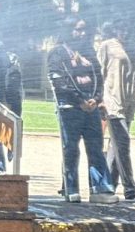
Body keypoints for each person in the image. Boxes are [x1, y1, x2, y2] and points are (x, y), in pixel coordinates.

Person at [47, 18, 117, 204]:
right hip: (69, 108)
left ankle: (100, 189)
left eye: (84, 29)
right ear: (68, 30)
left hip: (91, 108)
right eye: (78, 30)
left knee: (95, 148)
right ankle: (70, 188)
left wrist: (97, 98)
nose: (82, 33)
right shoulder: (57, 53)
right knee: (71, 148)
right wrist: (79, 101)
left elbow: (99, 78)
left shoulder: (88, 52)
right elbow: (59, 82)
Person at [97, 21, 135, 201]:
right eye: (121, 29)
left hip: (128, 102)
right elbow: (99, 72)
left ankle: (107, 185)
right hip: (112, 101)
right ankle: (130, 186)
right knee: (123, 142)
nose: (125, 32)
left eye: (128, 29)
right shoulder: (107, 46)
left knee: (116, 146)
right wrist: (99, 98)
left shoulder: (134, 47)